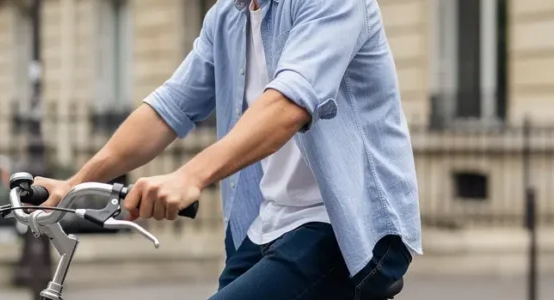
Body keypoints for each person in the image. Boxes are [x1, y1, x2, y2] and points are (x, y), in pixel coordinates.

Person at [32, 0, 422, 298]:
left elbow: (288, 105)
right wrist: (73, 184)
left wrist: (189, 176)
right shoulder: (227, 17)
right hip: (270, 224)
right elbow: (168, 108)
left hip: (346, 228)